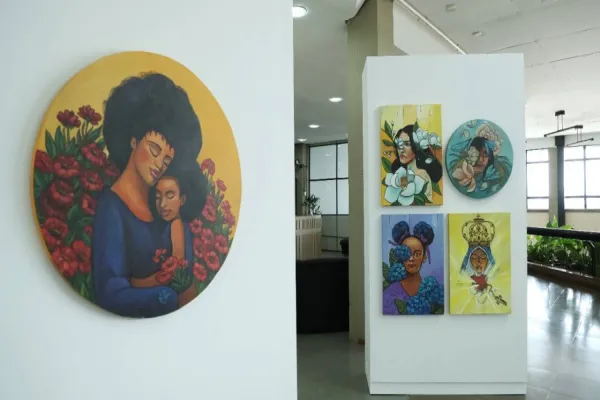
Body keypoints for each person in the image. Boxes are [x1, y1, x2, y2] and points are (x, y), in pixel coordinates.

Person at [91, 73, 206, 318]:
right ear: (133, 141)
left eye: (167, 160)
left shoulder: (168, 208)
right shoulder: (112, 208)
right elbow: (109, 291)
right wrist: (163, 294)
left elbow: (186, 283)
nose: (159, 164)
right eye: (154, 150)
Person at [382, 221, 443, 315]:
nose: (411, 259)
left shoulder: (432, 291)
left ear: (424, 257)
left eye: (417, 254)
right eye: (406, 253)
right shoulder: (389, 295)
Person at [390, 124, 443, 202]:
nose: (401, 149)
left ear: (417, 147)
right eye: (399, 144)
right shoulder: (399, 173)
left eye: (407, 144)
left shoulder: (421, 175)